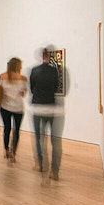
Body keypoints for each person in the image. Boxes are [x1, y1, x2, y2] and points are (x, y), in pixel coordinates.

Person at [30, 47, 64, 180]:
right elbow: (56, 86)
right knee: (55, 140)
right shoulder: (55, 71)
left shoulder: (34, 71)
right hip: (51, 107)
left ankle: (40, 164)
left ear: (41, 56)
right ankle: (54, 171)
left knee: (39, 138)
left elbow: (32, 88)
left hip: (38, 107)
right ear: (49, 57)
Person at [0, 57, 28, 164]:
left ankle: (6, 150)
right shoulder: (23, 78)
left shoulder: (2, 76)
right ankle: (13, 152)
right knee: (16, 131)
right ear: (18, 66)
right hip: (18, 108)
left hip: (4, 107)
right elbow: (23, 93)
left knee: (7, 129)